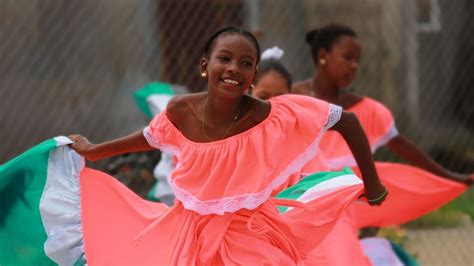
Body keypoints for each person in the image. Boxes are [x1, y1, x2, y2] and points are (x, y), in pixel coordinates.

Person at [56, 27, 387, 265]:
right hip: (191, 235)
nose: (233, 68)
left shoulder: (270, 116)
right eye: (224, 59)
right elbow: (148, 138)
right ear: (205, 66)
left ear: (253, 74)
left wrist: (373, 186)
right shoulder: (181, 111)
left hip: (248, 236)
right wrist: (93, 149)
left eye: (245, 63)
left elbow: (348, 122)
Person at [295, 23, 473, 265]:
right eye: (348, 58)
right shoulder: (292, 101)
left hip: (351, 210)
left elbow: (404, 148)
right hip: (301, 210)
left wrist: (450, 176)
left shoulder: (366, 112)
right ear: (323, 56)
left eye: (357, 60)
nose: (354, 66)